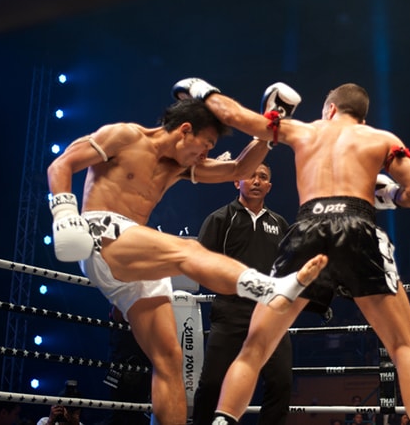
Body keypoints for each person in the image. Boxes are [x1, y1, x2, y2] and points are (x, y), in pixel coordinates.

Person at [46, 96, 328, 425]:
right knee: (188, 251)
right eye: (205, 144)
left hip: (136, 250)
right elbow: (61, 164)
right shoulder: (124, 136)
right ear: (184, 131)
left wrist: (269, 129)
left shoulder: (179, 166)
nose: (206, 154)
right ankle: (269, 289)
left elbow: (239, 169)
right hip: (101, 233)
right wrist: (64, 214)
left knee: (169, 361)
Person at [172, 78, 410, 424]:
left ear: (330, 109)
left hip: (308, 228)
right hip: (357, 224)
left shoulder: (306, 131)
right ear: (362, 115)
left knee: (254, 348)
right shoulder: (382, 139)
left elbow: (235, 115)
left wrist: (201, 90)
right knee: (404, 349)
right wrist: (388, 196)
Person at [192, 163, 292, 424]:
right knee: (212, 382)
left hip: (270, 314)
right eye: (251, 175)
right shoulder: (220, 219)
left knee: (281, 383)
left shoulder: (280, 223)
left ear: (269, 186)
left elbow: (288, 268)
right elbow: (199, 262)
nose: (257, 181)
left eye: (263, 177)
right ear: (237, 181)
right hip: (230, 310)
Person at [104, 305, 151, 425]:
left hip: (143, 359)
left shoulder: (151, 293)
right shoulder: (121, 292)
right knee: (116, 410)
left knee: (139, 410)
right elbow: (117, 316)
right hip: (119, 357)